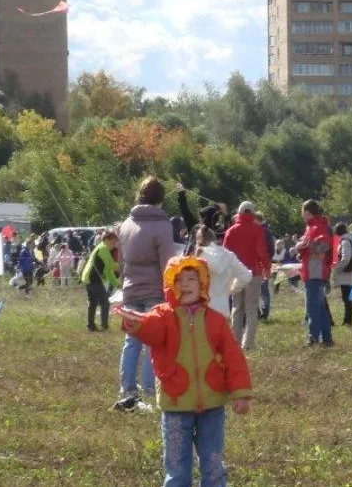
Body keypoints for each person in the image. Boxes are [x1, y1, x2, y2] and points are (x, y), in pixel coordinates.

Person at [116, 256, 252, 487]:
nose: (185, 284)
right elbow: (150, 329)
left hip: (212, 404)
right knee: (177, 465)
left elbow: (234, 357)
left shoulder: (216, 321)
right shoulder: (163, 315)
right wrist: (135, 323)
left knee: (213, 462)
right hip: (176, 403)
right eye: (178, 280)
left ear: (203, 285)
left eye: (192, 279)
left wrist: (241, 394)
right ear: (170, 285)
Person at [114, 176, 173, 411]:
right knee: (153, 343)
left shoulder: (126, 225)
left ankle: (127, 387)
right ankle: (149, 389)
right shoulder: (162, 225)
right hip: (154, 290)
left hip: (130, 288)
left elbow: (122, 261)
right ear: (161, 198)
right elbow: (167, 263)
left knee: (131, 341)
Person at [222, 201, 271, 351]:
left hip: (236, 274)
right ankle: (248, 343)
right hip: (253, 273)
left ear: (239, 212)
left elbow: (225, 254)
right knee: (251, 309)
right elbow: (262, 252)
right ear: (253, 213)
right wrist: (267, 267)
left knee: (237, 308)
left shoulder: (231, 231)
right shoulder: (257, 230)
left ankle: (235, 342)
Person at [194, 224, 252, 320]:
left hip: (200, 309)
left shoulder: (198, 255)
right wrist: (232, 289)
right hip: (222, 309)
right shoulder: (228, 256)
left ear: (198, 240)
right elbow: (246, 275)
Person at [298, 200, 333, 347]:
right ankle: (326, 338)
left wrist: (305, 247)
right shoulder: (313, 226)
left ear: (307, 213)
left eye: (303, 212)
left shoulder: (317, 227)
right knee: (319, 306)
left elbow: (323, 247)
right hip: (314, 269)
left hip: (315, 270)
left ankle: (313, 337)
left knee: (313, 306)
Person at [81, 231, 120, 332]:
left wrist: (117, 284)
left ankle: (90, 326)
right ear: (106, 240)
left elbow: (108, 271)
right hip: (92, 278)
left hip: (88, 277)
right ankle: (104, 326)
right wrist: (123, 266)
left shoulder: (103, 248)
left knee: (93, 302)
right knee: (105, 303)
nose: (114, 245)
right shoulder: (103, 248)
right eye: (113, 242)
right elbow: (112, 266)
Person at [332, 223, 352, 327]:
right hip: (351, 271)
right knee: (347, 297)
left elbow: (345, 258)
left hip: (345, 272)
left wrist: (337, 269)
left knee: (346, 298)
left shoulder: (345, 241)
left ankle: (348, 321)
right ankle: (347, 320)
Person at [256, 213, 276, 322]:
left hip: (259, 263)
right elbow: (272, 249)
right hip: (263, 263)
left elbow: (271, 249)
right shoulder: (267, 232)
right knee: (262, 289)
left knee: (260, 289)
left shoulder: (262, 232)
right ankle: (262, 313)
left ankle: (261, 313)